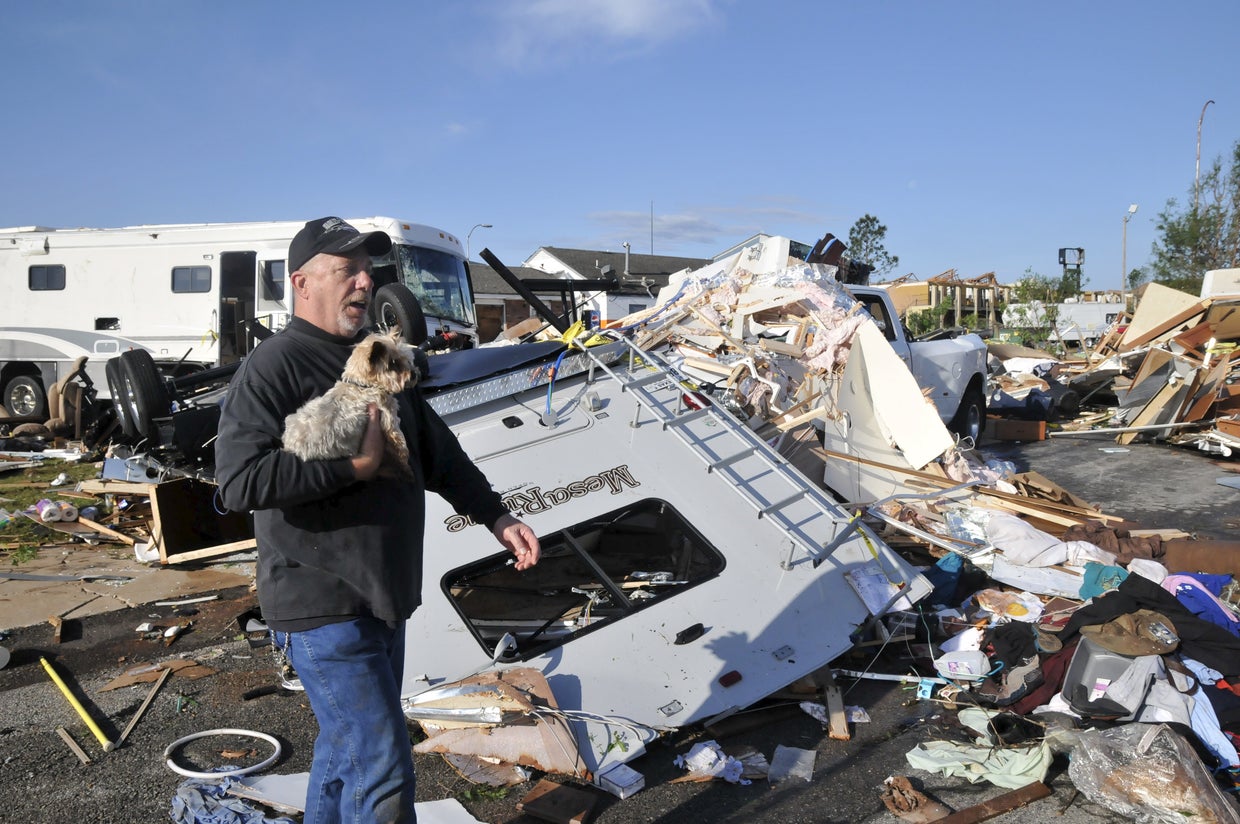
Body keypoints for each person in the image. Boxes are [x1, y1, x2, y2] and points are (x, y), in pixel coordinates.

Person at [214, 216, 540, 824]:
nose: (365, 283)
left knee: (347, 753)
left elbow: (439, 454)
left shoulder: (380, 359)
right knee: (382, 761)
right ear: (302, 282)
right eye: (347, 270)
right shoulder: (273, 367)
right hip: (321, 602)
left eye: (367, 271)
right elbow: (240, 482)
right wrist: (353, 468)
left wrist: (496, 516)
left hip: (384, 595)